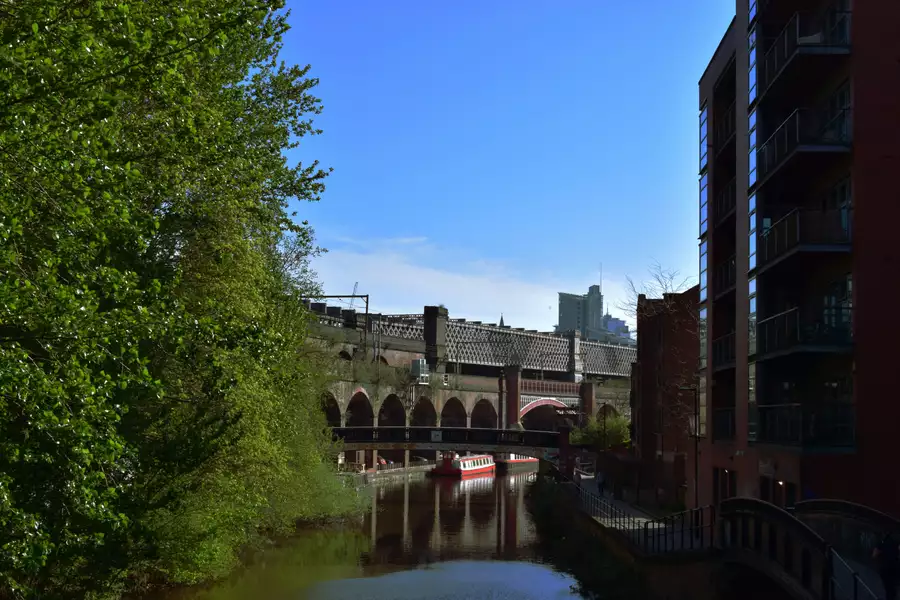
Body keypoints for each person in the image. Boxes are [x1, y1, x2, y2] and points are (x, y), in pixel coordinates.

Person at [873, 533, 900, 600]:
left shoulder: (882, 542)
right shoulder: (895, 541)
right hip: (894, 567)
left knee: (888, 588)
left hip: (885, 569)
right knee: (893, 588)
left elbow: (874, 555)